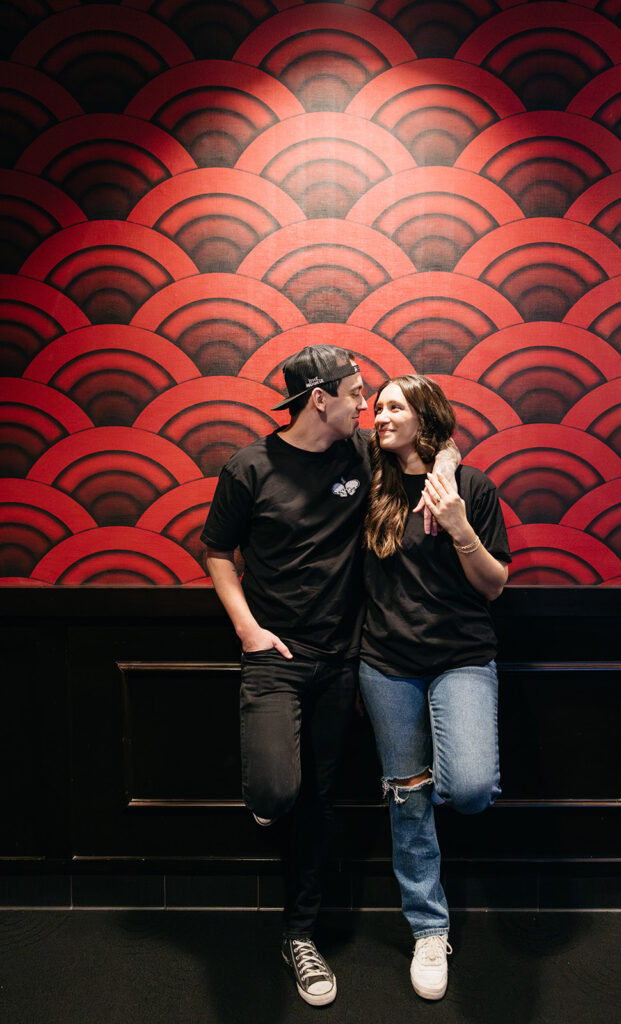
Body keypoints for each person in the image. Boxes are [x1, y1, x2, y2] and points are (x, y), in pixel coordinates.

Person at [201, 347, 455, 1008]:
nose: (366, 405)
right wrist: (247, 630)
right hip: (274, 662)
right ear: (321, 398)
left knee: (317, 799)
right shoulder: (249, 467)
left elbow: (439, 447)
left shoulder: (361, 454)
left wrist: (448, 469)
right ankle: (269, 789)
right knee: (280, 792)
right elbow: (215, 554)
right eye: (356, 393)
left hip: (342, 662)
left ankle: (299, 936)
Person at [359, 374, 511, 1001]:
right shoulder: (371, 482)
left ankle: (433, 907)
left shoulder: (471, 487)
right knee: (407, 800)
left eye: (394, 406)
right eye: (377, 407)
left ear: (425, 417)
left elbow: (494, 584)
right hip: (386, 662)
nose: (378, 415)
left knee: (470, 788)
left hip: (462, 657)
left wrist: (456, 522)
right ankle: (428, 928)